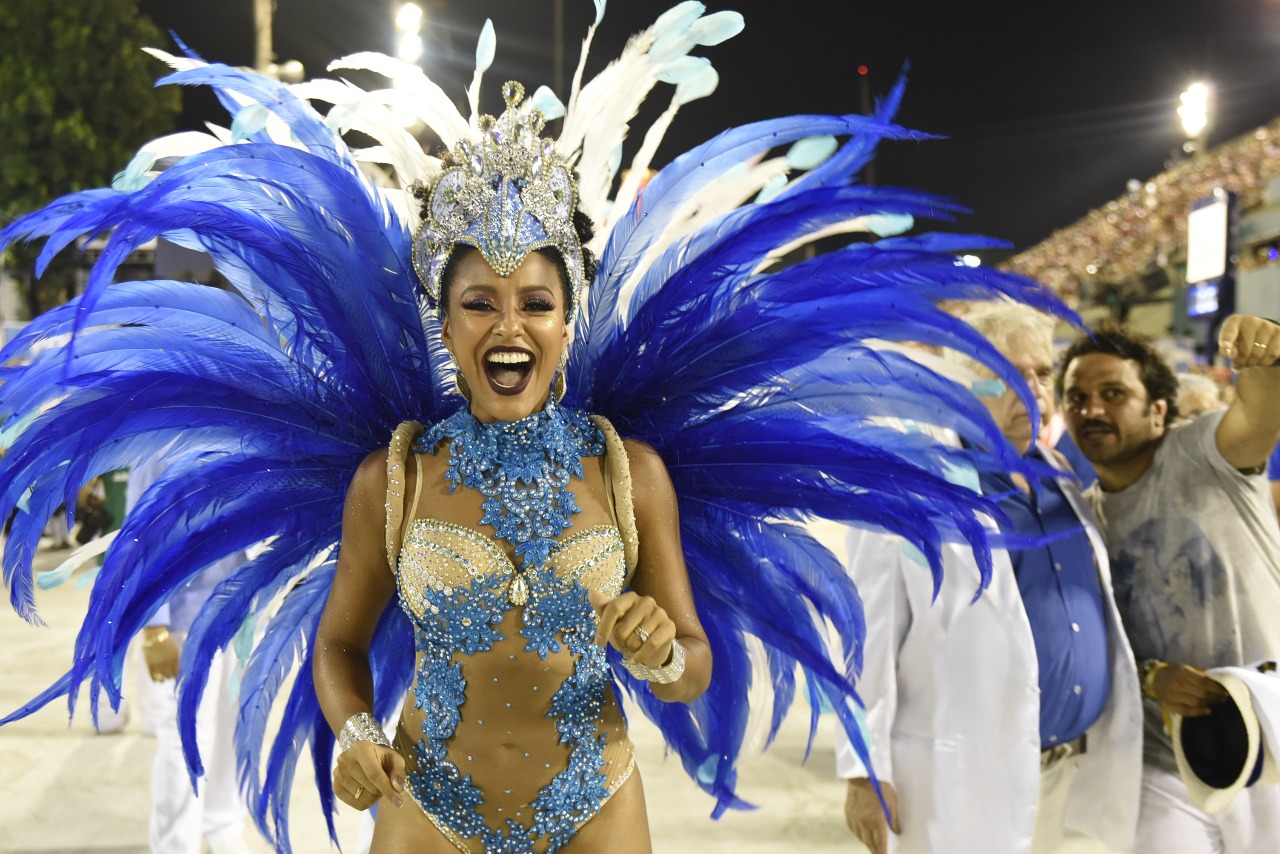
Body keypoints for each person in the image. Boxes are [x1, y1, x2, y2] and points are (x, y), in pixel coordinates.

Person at [0, 6, 1066, 851]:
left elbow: (693, 660)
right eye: (479, 302)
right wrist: (359, 730)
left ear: (568, 320)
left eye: (535, 302)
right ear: (445, 321)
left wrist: (661, 649)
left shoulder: (627, 467)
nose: (508, 324)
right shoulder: (396, 476)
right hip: (429, 805)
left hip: (594, 803)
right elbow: (336, 643)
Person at [839, 303, 1142, 854]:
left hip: (1069, 770)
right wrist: (864, 771)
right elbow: (866, 633)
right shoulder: (913, 487)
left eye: (1042, 373)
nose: (1032, 390)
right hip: (967, 777)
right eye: (1009, 374)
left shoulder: (1062, 479)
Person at [1058, 317, 1280, 853]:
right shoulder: (1080, 526)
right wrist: (1152, 677)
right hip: (1166, 763)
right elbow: (1097, 646)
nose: (1092, 409)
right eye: (1077, 397)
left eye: (1113, 393)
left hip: (1270, 742)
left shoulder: (1205, 453)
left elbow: (1261, 414)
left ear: (1158, 410)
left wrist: (1264, 355)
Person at [129, 454, 252, 854]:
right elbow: (137, 544)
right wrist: (154, 631)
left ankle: (223, 829)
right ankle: (173, 844)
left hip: (237, 611)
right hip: (184, 619)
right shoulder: (157, 445)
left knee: (232, 729)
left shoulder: (237, 431)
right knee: (183, 737)